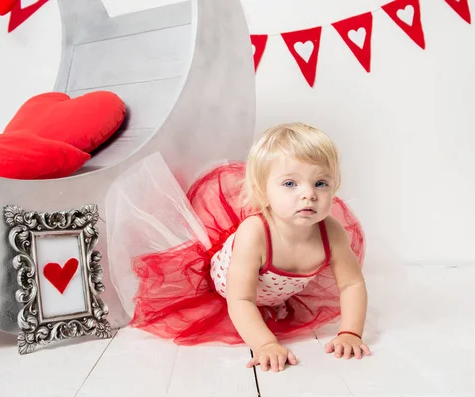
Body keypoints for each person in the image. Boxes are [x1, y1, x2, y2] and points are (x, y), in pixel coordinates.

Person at [106, 122, 369, 372]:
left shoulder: (331, 231)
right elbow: (241, 298)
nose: (309, 194)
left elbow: (351, 285)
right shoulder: (255, 233)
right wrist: (265, 344)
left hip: (270, 293)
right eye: (290, 183)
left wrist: (350, 332)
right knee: (240, 299)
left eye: (321, 183)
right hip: (228, 290)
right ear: (263, 192)